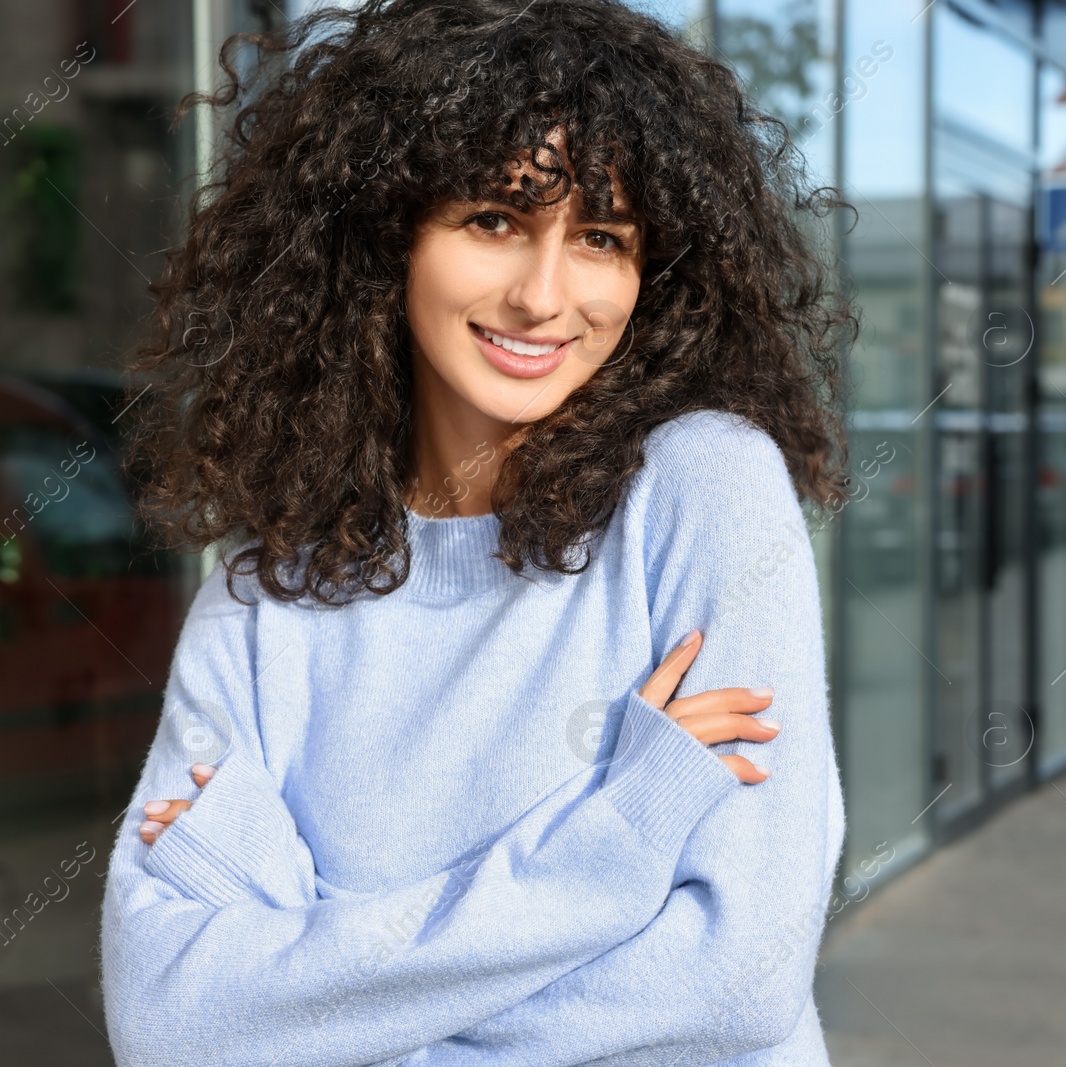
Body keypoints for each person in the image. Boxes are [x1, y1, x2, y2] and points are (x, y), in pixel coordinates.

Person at [101, 1, 853, 1063]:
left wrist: (333, 1006)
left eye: (601, 238)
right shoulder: (267, 590)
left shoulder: (703, 487)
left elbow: (734, 977)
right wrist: (620, 840)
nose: (544, 296)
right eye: (493, 219)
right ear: (387, 236)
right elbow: (176, 1022)